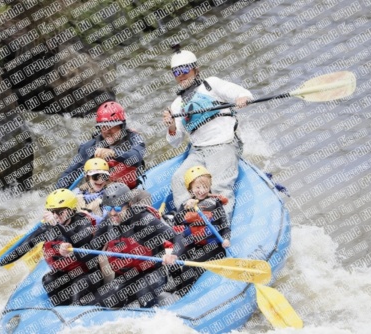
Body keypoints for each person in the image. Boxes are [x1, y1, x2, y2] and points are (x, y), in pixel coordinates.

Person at [162, 46, 253, 222]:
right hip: (198, 150)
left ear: (196, 69)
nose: (181, 75)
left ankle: (220, 225)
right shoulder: (176, 104)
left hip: (224, 144)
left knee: (220, 186)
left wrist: (242, 99)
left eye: (185, 69)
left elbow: (243, 93)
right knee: (178, 179)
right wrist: (172, 126)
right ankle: (187, 219)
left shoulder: (211, 84)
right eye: (176, 72)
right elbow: (175, 141)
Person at [58, 183, 185, 308]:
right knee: (95, 305)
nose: (113, 213)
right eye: (108, 209)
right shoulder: (108, 222)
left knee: (143, 294)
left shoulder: (143, 218)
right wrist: (70, 251)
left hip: (152, 274)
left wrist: (174, 255)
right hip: (125, 278)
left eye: (118, 208)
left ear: (129, 205)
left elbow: (177, 237)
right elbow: (90, 252)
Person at [0, 189, 100, 306]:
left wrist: (57, 226)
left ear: (71, 210)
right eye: (51, 211)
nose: (55, 216)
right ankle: (59, 311)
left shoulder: (83, 222)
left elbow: (80, 240)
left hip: (87, 273)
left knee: (79, 286)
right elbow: (23, 248)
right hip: (64, 273)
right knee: (48, 280)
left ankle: (77, 311)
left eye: (59, 211)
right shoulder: (46, 228)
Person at [57, 101, 146, 190]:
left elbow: (137, 156)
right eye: (103, 126)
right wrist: (58, 194)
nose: (107, 130)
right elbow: (70, 173)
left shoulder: (134, 138)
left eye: (111, 126)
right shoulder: (89, 147)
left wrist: (113, 153)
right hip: (103, 191)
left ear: (121, 126)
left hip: (132, 189)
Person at [171, 166, 231, 290]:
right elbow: (176, 222)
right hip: (194, 243)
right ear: (190, 189)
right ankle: (178, 288)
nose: (202, 190)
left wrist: (226, 239)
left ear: (209, 187)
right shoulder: (186, 205)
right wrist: (186, 209)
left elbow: (225, 226)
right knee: (174, 262)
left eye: (205, 187)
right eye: (198, 187)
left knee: (189, 266)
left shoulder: (215, 204)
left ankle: (186, 293)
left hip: (213, 246)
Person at [73, 157, 112, 224]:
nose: (100, 180)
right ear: (87, 177)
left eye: (104, 176)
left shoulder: (110, 194)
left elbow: (106, 221)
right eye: (95, 176)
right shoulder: (77, 192)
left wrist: (86, 215)